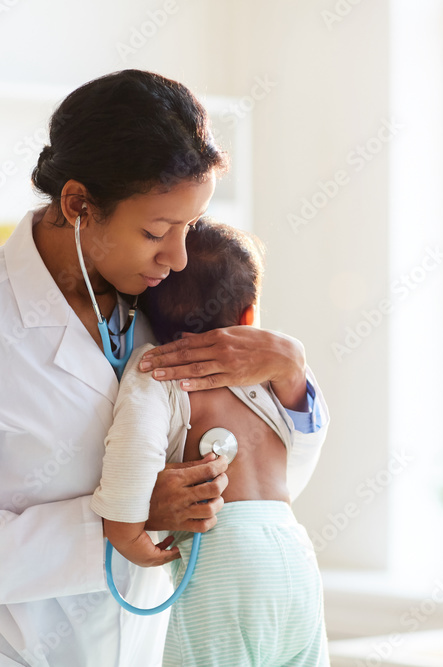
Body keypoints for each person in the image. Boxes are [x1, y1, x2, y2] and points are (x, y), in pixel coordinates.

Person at [0, 69, 328, 666]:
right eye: (156, 231)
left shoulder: (172, 305)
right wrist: (120, 521)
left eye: (190, 227)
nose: (179, 256)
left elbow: (263, 488)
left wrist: (292, 379)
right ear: (78, 204)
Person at [91, 220, 329, 666]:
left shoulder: (157, 365)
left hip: (226, 555)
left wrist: (123, 527)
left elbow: (135, 445)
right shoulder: (271, 376)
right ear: (249, 315)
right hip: (293, 552)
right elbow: (308, 432)